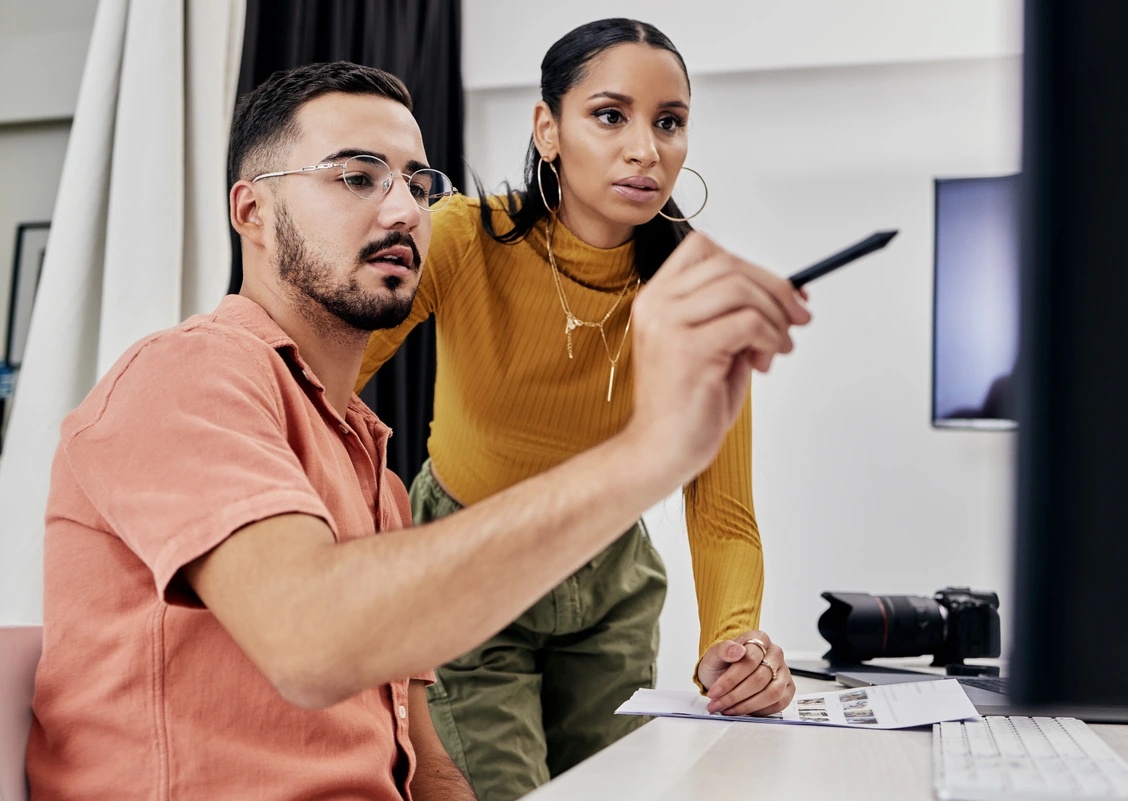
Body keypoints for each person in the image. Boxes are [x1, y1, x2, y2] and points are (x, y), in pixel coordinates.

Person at [25, 60, 809, 801]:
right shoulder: (184, 377)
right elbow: (310, 640)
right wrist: (647, 451)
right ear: (252, 211)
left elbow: (424, 760)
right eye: (356, 177)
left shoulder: (375, 477)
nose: (404, 209)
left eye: (418, 183)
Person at [356, 18, 799, 800]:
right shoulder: (463, 239)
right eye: (610, 115)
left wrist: (731, 642)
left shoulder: (697, 293)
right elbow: (325, 377)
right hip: (467, 569)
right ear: (547, 129)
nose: (646, 148)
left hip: (611, 585)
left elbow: (722, 510)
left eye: (669, 122)